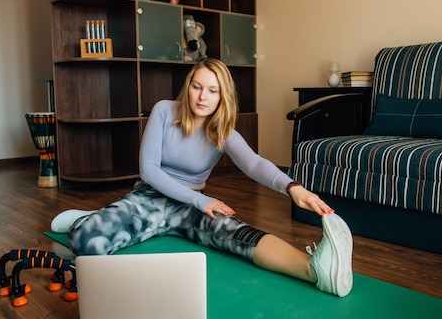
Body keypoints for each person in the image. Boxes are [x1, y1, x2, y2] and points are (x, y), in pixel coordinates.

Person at [51, 58, 353, 297]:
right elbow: (149, 170)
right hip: (151, 198)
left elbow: (254, 163)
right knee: (85, 241)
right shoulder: (164, 112)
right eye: (197, 87)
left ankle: (316, 271)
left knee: (239, 236)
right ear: (188, 86)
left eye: (212, 90)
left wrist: (292, 186)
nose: (202, 96)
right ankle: (90, 218)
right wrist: (201, 198)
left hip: (193, 210)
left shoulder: (223, 132)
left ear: (223, 95)